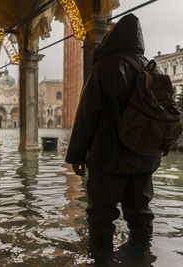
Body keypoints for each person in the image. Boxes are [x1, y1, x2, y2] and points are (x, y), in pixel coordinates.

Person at [65, 13, 162, 255]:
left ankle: (102, 260)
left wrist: (76, 155)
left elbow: (87, 115)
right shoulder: (151, 66)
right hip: (144, 158)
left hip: (108, 158)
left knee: (101, 216)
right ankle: (141, 259)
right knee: (141, 214)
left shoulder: (104, 68)